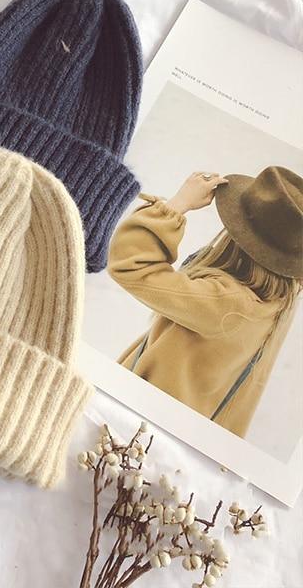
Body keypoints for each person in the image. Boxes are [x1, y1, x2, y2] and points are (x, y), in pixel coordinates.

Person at [108, 166, 303, 437]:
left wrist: (178, 204)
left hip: (133, 424)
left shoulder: (226, 302)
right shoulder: (279, 304)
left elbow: (131, 265)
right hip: (174, 435)